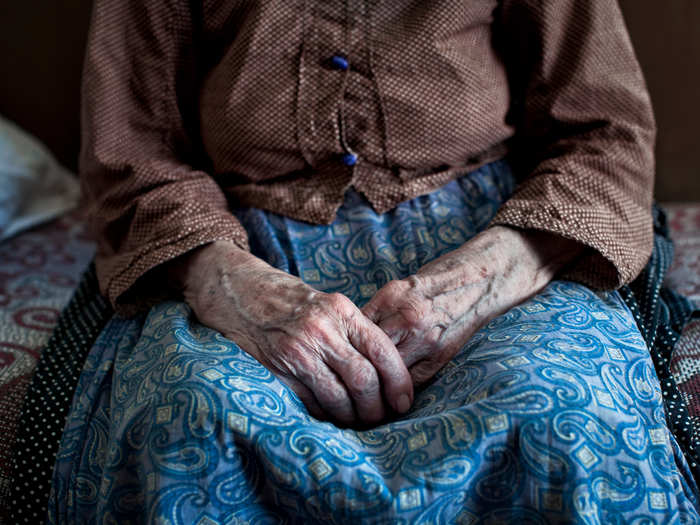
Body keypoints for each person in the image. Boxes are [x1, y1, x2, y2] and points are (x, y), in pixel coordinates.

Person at [47, 0, 700, 523]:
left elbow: (606, 131)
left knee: (563, 414)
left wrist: (494, 271)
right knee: (190, 415)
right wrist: (227, 281)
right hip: (237, 242)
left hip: (496, 235)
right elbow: (131, 149)